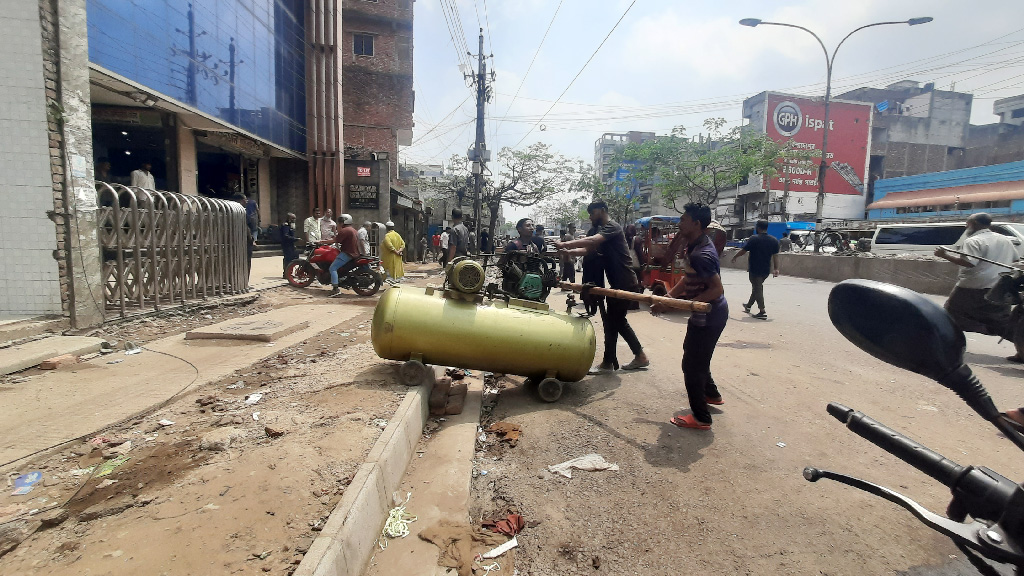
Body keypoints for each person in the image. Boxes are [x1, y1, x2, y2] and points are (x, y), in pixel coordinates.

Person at [651, 202, 728, 431]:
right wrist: (668, 299)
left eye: (683, 220)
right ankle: (711, 395)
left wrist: (686, 305)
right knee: (697, 356)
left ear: (696, 223)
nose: (680, 223)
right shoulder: (694, 246)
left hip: (710, 315)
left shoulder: (702, 254)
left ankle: (701, 417)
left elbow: (716, 289)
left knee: (692, 365)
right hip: (705, 314)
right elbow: (686, 279)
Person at [555, 201, 648, 373]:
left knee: (614, 321)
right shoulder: (602, 231)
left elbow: (593, 240)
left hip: (625, 282)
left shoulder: (612, 227)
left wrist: (567, 244)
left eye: (592, 213)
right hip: (616, 283)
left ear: (603, 210)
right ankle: (633, 357)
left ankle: (613, 361)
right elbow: (589, 249)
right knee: (615, 321)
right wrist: (569, 252)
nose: (590, 217)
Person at [935, 213, 1017, 344]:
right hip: (999, 286)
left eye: (968, 223)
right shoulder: (1004, 239)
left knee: (951, 314)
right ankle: (1021, 348)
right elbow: (1015, 258)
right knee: (1001, 321)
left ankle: (946, 344)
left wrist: (944, 255)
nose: (966, 226)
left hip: (973, 286)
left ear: (974, 224)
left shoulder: (973, 241)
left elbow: (969, 262)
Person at [731, 220, 780, 319]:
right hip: (766, 269)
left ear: (758, 228)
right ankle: (748, 306)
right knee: (757, 287)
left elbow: (743, 251)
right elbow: (776, 256)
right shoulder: (774, 240)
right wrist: (776, 269)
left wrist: (735, 257)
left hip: (755, 268)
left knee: (758, 288)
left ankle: (762, 311)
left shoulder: (754, 239)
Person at [328, 214, 360, 297]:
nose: (339, 224)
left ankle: (335, 289)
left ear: (343, 222)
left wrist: (320, 242)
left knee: (333, 268)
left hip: (348, 253)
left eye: (340, 222)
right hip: (354, 253)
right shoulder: (353, 230)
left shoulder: (345, 230)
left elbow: (335, 240)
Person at [281, 213, 298, 278]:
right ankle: (286, 273)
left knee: (292, 259)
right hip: (286, 245)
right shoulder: (285, 225)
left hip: (291, 244)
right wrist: (295, 239)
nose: (294, 220)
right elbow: (286, 236)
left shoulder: (291, 225)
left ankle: (289, 273)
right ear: (289, 218)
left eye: (295, 218)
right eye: (293, 218)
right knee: (287, 259)